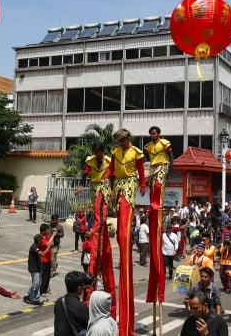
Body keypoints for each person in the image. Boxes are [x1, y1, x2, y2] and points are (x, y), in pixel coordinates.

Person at [108, 128, 146, 336]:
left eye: (123, 140)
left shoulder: (136, 152)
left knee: (125, 213)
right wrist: (109, 182)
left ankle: (125, 235)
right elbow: (112, 170)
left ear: (128, 139)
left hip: (130, 182)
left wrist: (142, 184)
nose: (121, 143)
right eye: (119, 141)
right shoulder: (116, 152)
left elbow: (141, 170)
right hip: (119, 184)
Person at [76, 143, 117, 316]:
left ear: (103, 152)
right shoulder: (90, 161)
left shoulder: (109, 160)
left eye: (100, 152)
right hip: (94, 187)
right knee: (97, 209)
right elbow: (85, 174)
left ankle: (99, 229)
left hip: (105, 187)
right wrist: (80, 186)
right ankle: (98, 231)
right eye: (96, 153)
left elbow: (114, 176)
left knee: (102, 210)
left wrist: (114, 189)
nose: (98, 156)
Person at [144, 126, 173, 305]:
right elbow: (147, 157)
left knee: (157, 187)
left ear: (159, 134)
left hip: (163, 166)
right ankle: (153, 205)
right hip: (154, 167)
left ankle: (157, 204)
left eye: (155, 133)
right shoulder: (149, 146)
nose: (153, 136)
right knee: (152, 188)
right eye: (151, 134)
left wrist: (170, 168)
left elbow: (170, 156)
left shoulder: (165, 143)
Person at [54, 271, 89, 336]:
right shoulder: (81, 306)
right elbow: (88, 325)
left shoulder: (59, 302)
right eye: (82, 286)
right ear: (79, 288)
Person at [37, 223, 58, 298]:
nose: (48, 231)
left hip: (48, 259)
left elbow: (51, 244)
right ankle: (42, 291)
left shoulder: (46, 237)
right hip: (43, 260)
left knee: (48, 276)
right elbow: (47, 244)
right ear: (43, 231)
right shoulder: (40, 238)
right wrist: (53, 235)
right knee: (44, 276)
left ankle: (45, 289)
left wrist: (51, 242)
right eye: (47, 230)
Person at [24, 233, 43, 306]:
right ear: (38, 240)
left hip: (38, 267)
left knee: (38, 284)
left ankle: (36, 299)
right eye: (41, 240)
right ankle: (27, 296)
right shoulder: (34, 247)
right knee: (36, 283)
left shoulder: (37, 246)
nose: (42, 241)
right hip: (34, 268)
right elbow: (42, 254)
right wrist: (48, 248)